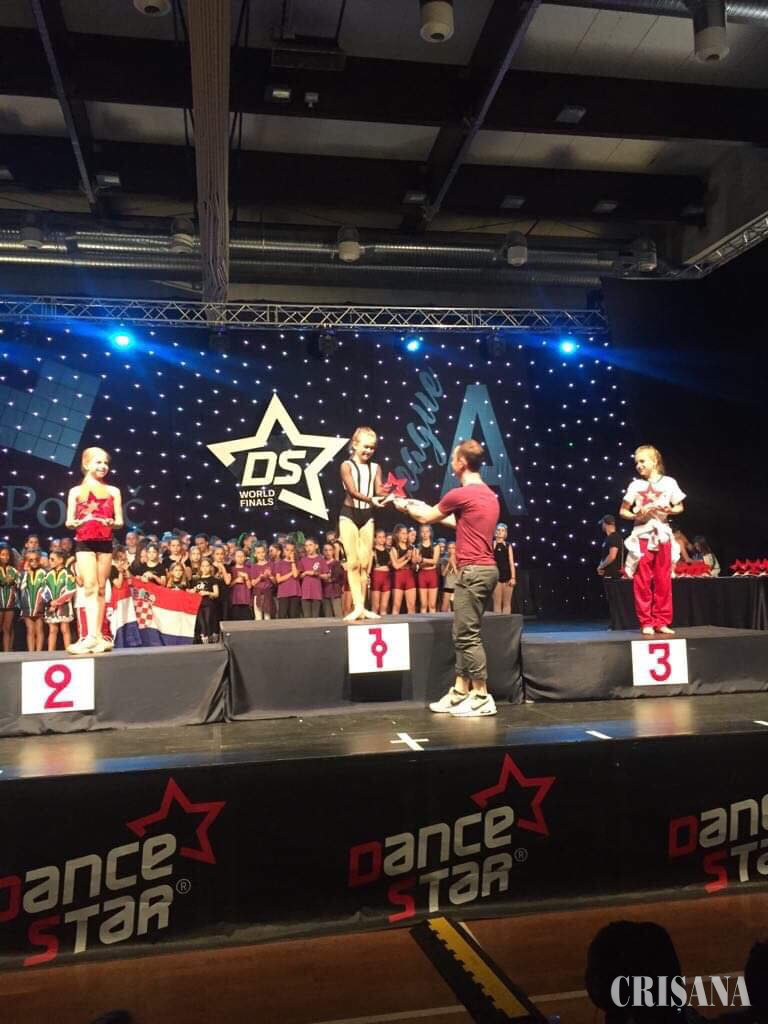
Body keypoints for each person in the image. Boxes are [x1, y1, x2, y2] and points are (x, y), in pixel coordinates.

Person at [393, 439, 500, 717]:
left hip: (473, 571)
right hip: (485, 570)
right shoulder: (488, 495)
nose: (451, 462)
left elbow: (425, 518)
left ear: (462, 463)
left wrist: (402, 505)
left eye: (454, 458)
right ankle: (460, 691)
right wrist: (419, 506)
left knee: (467, 635)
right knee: (462, 632)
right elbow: (457, 522)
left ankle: (481, 696)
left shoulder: (459, 494)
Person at [620, 445, 685, 638]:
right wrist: (636, 514)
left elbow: (679, 506)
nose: (638, 466)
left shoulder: (669, 482)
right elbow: (623, 511)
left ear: (654, 461)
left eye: (642, 461)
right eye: (636, 463)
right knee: (642, 580)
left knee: (663, 579)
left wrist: (670, 510)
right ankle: (646, 621)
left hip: (662, 534)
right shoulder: (635, 485)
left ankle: (662, 621)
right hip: (642, 534)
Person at [65, 447, 123, 654]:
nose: (103, 466)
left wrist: (111, 522)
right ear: (87, 464)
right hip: (84, 542)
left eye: (106, 463)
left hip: (105, 542)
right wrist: (78, 522)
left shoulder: (113, 491)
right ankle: (89, 636)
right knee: (89, 587)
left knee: (100, 588)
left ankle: (98, 636)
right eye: (99, 462)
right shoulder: (75, 492)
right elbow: (69, 521)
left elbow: (119, 521)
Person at [339, 426, 387, 622]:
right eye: (366, 446)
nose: (369, 451)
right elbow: (352, 491)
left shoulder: (376, 467)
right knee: (353, 563)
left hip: (367, 515)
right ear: (355, 444)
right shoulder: (346, 466)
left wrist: (391, 493)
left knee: (365, 564)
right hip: (349, 514)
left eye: (372, 448)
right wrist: (372, 499)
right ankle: (358, 606)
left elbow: (379, 490)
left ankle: (363, 608)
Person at [42, 549, 76, 651]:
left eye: (52, 559)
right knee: (52, 630)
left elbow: (71, 591)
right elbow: (44, 591)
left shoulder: (68, 573)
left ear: (61, 560)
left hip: (64, 606)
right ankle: (50, 653)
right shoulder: (48, 574)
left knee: (65, 629)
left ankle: (68, 651)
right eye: (49, 559)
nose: (50, 561)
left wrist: (57, 603)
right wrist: (50, 602)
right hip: (50, 606)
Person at [19, 550, 47, 652]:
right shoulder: (24, 574)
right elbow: (21, 587)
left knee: (39, 629)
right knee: (30, 630)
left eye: (36, 559)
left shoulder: (43, 573)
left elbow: (45, 589)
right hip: (27, 605)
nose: (34, 562)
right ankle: (31, 653)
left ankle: (38, 652)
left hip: (39, 605)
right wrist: (27, 573)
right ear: (27, 561)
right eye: (31, 560)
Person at [390, 523, 417, 615]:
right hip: (398, 577)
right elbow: (396, 565)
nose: (405, 536)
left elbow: (414, 563)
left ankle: (412, 623)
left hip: (409, 576)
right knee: (396, 606)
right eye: (403, 533)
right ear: (397, 534)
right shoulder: (394, 548)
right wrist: (406, 557)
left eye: (406, 533)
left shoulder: (411, 547)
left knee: (411, 606)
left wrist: (415, 558)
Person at [492, 522, 517, 613]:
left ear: (505, 533)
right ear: (495, 532)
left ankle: (507, 622)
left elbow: (511, 562)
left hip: (507, 576)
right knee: (497, 603)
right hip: (496, 576)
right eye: (498, 530)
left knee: (507, 603)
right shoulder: (492, 544)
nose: (500, 532)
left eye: (502, 530)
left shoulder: (507, 545)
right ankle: (498, 621)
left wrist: (513, 577)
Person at [274, 540, 302, 619]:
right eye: (287, 550)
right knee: (282, 616)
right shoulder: (279, 563)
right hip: (283, 593)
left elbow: (295, 575)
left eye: (292, 550)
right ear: (284, 550)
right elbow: (278, 579)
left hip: (295, 592)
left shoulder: (297, 563)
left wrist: (292, 562)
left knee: (293, 616)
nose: (289, 552)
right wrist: (290, 573)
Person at [416, 524, 440, 613]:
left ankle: (432, 620)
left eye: (427, 531)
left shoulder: (435, 545)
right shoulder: (418, 546)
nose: (425, 534)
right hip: (422, 574)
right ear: (420, 533)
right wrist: (419, 561)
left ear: (430, 533)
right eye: (423, 532)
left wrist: (423, 560)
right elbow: (417, 561)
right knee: (423, 604)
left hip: (432, 574)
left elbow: (435, 561)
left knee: (432, 605)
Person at [369, 528, 392, 617]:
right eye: (379, 537)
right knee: (375, 606)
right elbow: (369, 566)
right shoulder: (372, 550)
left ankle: (384, 622)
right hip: (377, 577)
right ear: (375, 539)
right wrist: (367, 576)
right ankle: (373, 623)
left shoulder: (388, 550)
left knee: (384, 607)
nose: (382, 539)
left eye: (383, 537)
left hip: (386, 578)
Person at [0, 543, 19, 652]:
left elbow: (18, 583)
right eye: (3, 554)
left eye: (7, 555)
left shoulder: (13, 570)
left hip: (10, 603)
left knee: (7, 628)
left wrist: (13, 582)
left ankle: (7, 652)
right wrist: (4, 581)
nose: (5, 557)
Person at [321, 542, 345, 618]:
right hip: (324, 592)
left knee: (338, 615)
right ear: (323, 551)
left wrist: (328, 578)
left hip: (335, 592)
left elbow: (337, 577)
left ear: (333, 551)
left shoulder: (337, 563)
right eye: (326, 550)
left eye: (330, 550)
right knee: (328, 617)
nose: (328, 552)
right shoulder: (320, 563)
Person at [596, 515, 622, 579]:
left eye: (602, 523)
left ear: (605, 524)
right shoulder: (609, 538)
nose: (602, 526)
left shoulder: (614, 537)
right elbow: (605, 555)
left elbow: (612, 556)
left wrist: (600, 567)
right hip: (607, 574)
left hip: (613, 575)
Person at [440, 540, 459, 612]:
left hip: (457, 586)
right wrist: (449, 563)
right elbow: (443, 574)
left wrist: (453, 564)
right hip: (448, 586)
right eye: (449, 548)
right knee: (444, 608)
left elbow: (458, 575)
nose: (451, 550)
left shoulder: (460, 560)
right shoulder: (444, 560)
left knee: (456, 608)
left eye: (453, 548)